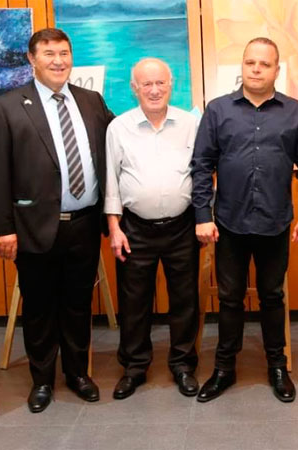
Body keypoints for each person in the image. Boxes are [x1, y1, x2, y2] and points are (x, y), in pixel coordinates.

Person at [0, 28, 114, 413]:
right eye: (49, 53)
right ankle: (42, 380)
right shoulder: (6, 107)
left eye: (64, 53)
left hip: (85, 224)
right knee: (39, 307)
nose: (58, 61)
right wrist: (3, 228)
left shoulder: (91, 101)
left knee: (78, 304)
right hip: (33, 225)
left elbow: (116, 144)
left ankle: (77, 374)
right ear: (32, 59)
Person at [191, 37, 298, 403]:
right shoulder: (218, 110)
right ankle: (224, 368)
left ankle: (277, 366)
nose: (256, 69)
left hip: (275, 223)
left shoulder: (296, 112)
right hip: (228, 223)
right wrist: (202, 215)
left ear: (277, 69)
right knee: (230, 299)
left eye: (265, 64)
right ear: (242, 65)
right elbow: (201, 165)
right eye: (250, 62)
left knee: (272, 296)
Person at [105, 58, 200, 399]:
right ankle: (134, 368)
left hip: (182, 226)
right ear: (135, 89)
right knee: (134, 302)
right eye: (147, 84)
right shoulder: (118, 128)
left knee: (185, 300)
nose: (155, 90)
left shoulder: (190, 124)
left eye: (161, 83)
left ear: (171, 85)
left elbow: (203, 174)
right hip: (135, 229)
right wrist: (114, 228)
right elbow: (112, 180)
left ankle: (183, 365)